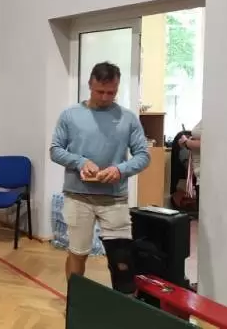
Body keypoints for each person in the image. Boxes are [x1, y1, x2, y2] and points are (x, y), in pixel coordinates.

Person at [49, 61, 150, 295]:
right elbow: (55, 150)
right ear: (90, 85)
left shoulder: (128, 118)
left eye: (111, 93)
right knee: (78, 253)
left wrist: (120, 170)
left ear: (117, 88)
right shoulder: (70, 115)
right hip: (78, 197)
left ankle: (124, 303)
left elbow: (143, 156)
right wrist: (80, 162)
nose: (105, 97)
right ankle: (76, 302)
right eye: (100, 91)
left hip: (114, 198)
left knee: (121, 255)